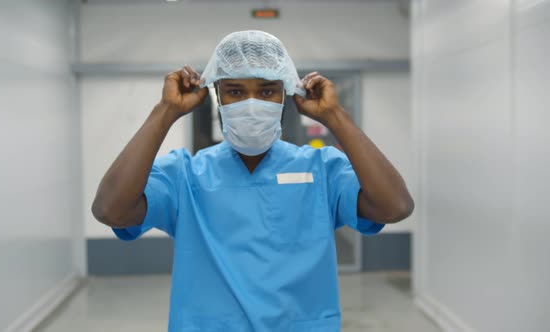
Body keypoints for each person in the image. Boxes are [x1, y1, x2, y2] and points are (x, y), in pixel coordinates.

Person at [92, 30, 414, 332]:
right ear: (216, 94)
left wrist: (335, 117)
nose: (251, 104)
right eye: (235, 91)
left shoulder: (321, 169)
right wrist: (165, 111)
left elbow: (394, 206)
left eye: (266, 91)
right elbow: (111, 210)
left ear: (285, 95)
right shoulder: (185, 174)